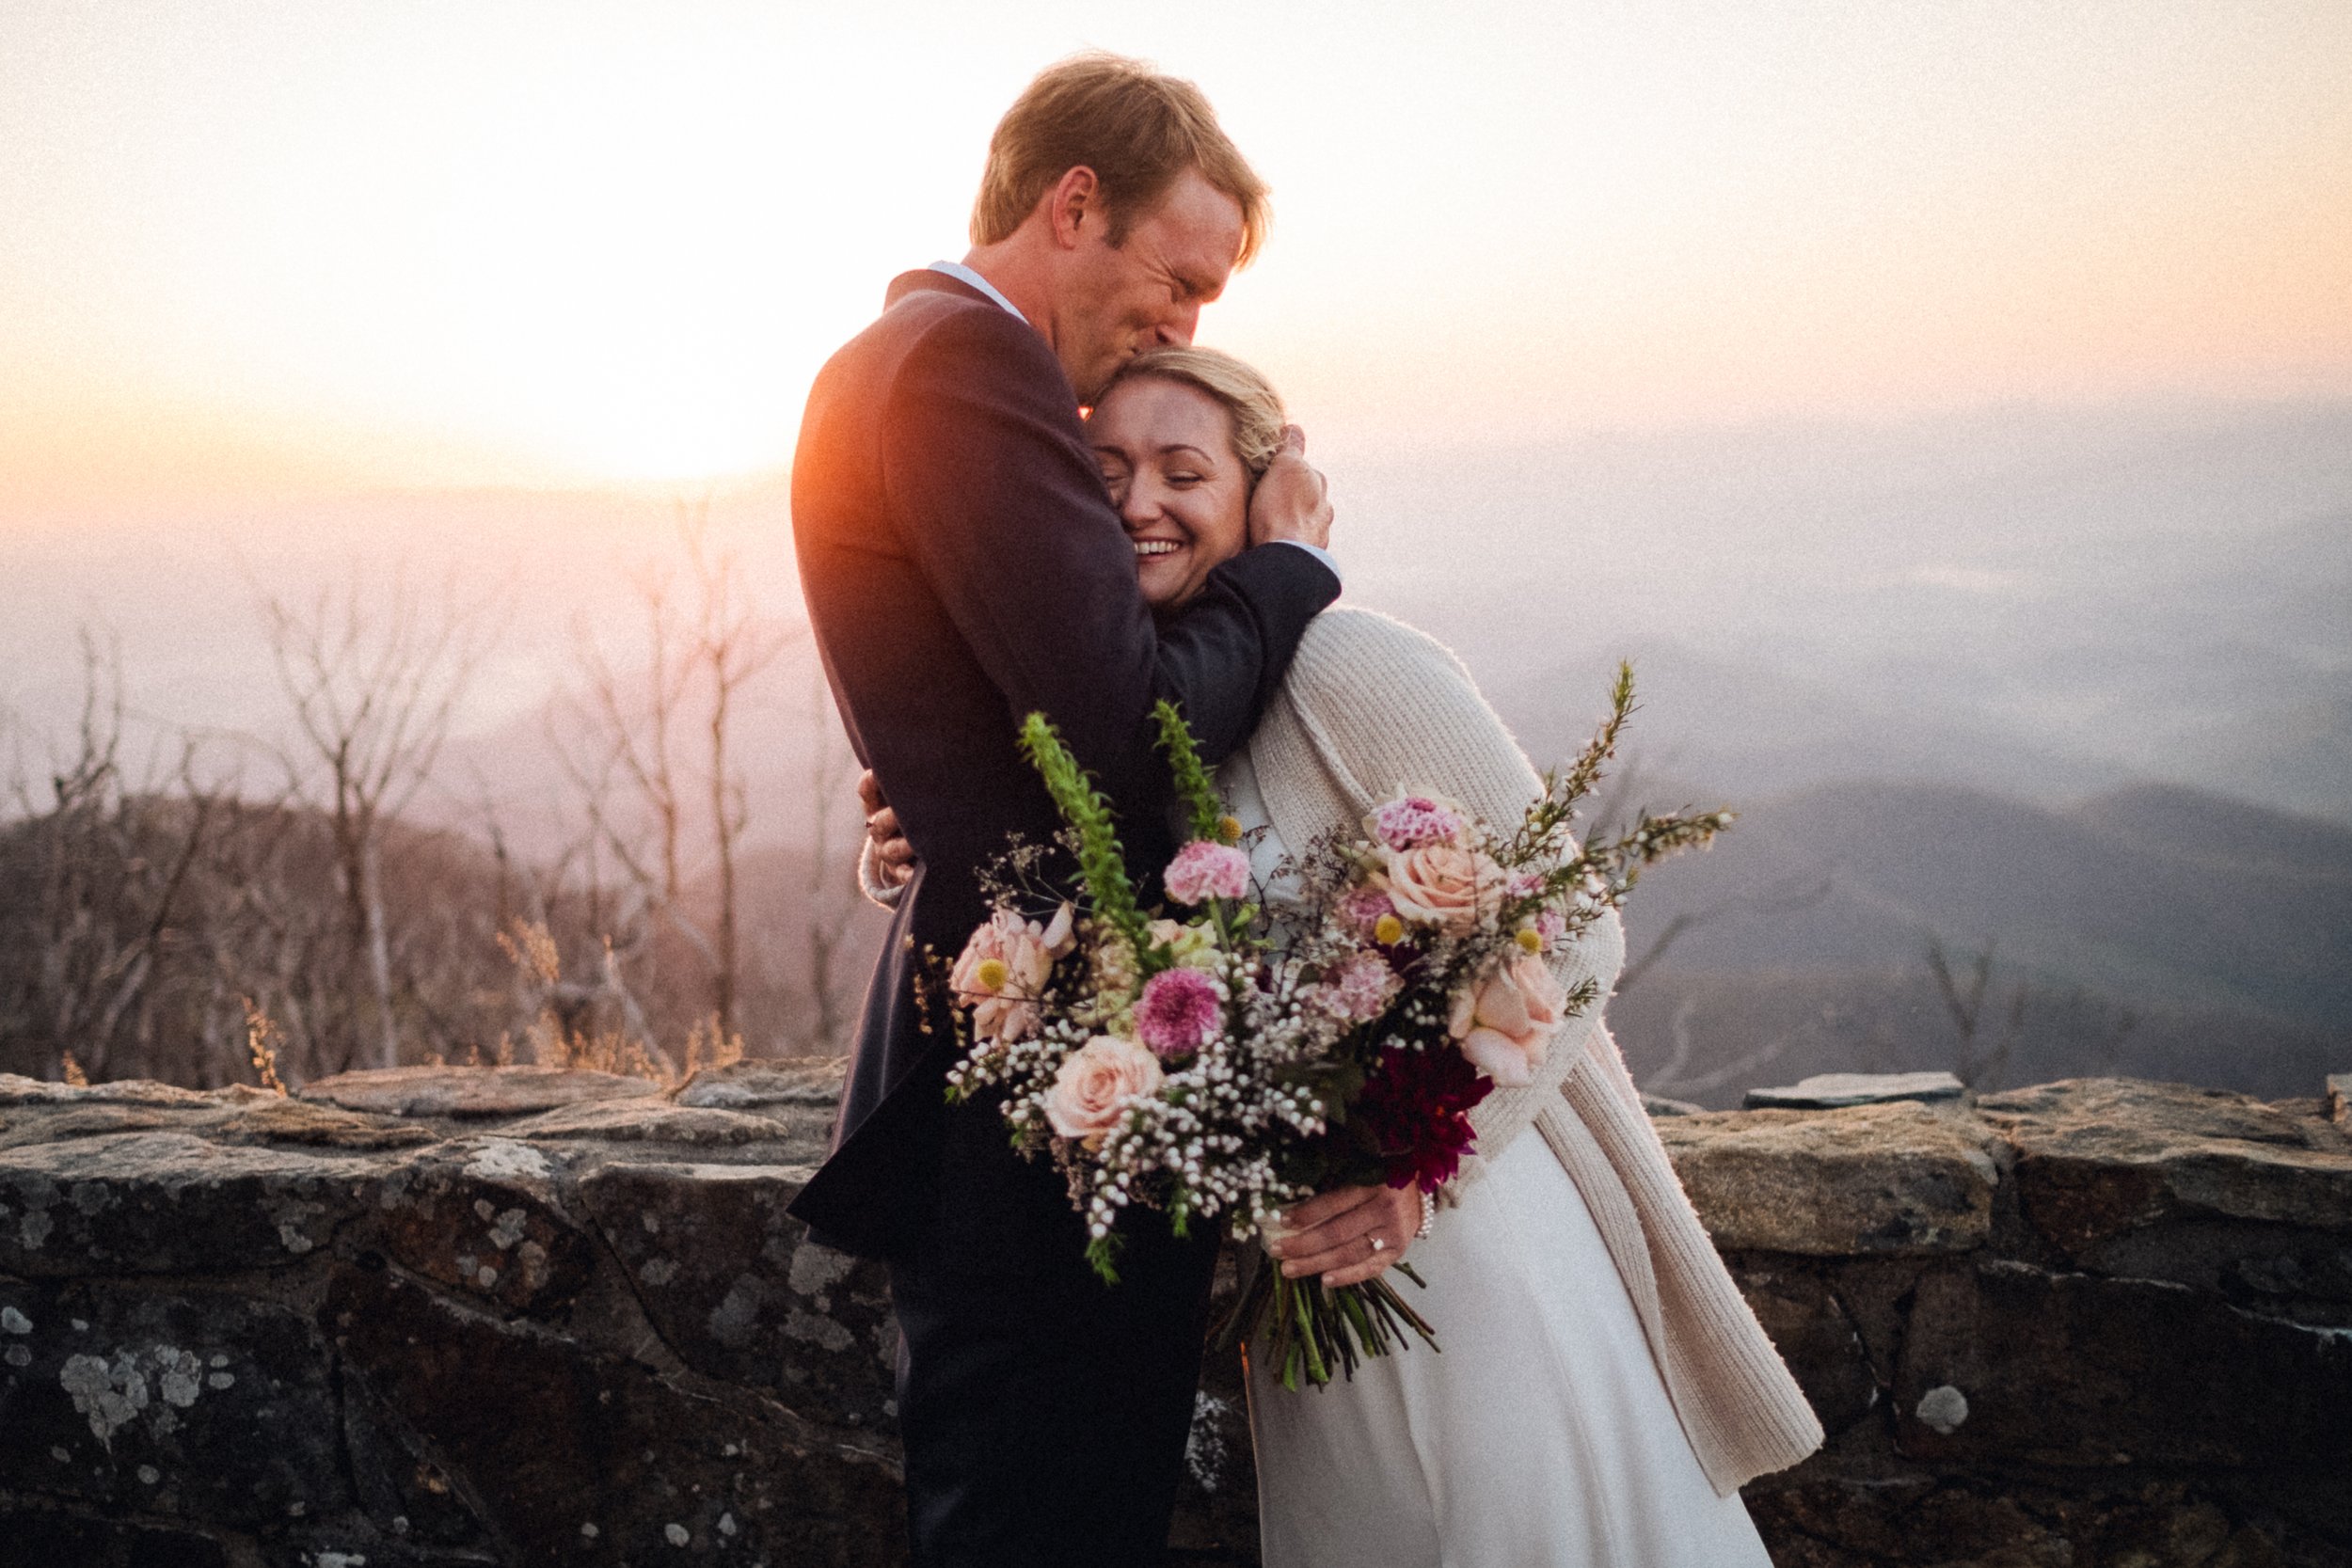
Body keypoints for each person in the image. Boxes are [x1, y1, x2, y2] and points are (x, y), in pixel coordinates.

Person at [860, 347, 1825, 1565]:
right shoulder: (1114, 706)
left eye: (1182, 469)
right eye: (1103, 473)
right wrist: (913, 831)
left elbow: (1579, 926)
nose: (1140, 500)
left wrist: (1424, 1179)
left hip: (1474, 1245)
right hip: (1304, 1292)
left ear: (1261, 498)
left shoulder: (1352, 665)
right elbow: (1046, 886)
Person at [787, 54, 1342, 1568]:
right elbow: (1124, 725)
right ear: (1074, 203)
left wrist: (918, 805)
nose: (1186, 323)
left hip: (1033, 1084)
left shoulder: (904, 364)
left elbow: (1002, 713)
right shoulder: (968, 368)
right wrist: (1281, 567)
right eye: (1179, 280)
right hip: (1023, 1121)